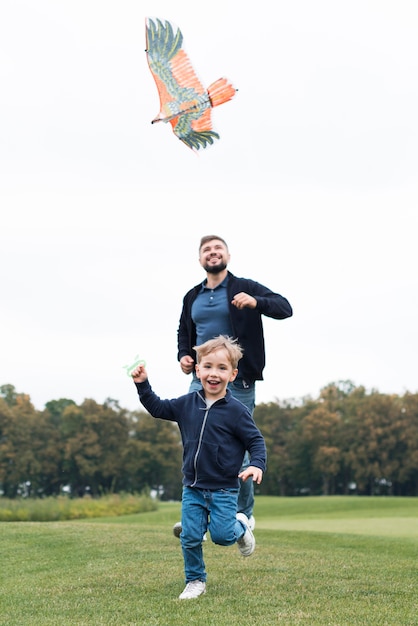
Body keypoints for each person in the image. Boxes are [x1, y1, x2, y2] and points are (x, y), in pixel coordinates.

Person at [131, 335, 267, 600]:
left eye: (221, 368)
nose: (213, 374)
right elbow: (157, 407)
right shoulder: (187, 404)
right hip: (192, 488)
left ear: (233, 374)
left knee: (222, 536)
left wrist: (257, 464)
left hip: (224, 490)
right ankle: (195, 580)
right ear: (198, 370)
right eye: (207, 367)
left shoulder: (237, 411)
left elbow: (256, 441)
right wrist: (142, 385)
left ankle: (240, 527)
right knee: (190, 536)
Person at [177, 235, 292, 526]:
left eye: (218, 249)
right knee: (198, 443)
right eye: (207, 250)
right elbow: (184, 331)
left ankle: (243, 515)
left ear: (228, 255)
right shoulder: (192, 296)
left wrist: (256, 302)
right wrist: (183, 356)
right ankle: (198, 519)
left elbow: (284, 307)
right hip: (201, 379)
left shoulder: (245, 287)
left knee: (236, 450)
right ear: (200, 258)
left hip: (237, 383)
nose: (212, 253)